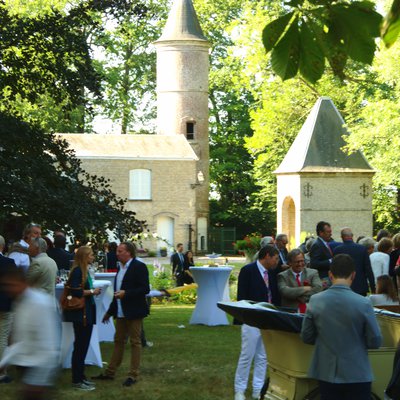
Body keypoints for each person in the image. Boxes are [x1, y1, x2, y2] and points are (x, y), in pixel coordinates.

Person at [301, 254, 382, 400]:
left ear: (330, 275)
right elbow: (375, 340)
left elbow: (306, 336)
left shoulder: (315, 300)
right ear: (353, 275)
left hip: (326, 370)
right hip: (357, 371)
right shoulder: (363, 303)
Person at [93, 242, 150, 387]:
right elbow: (117, 293)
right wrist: (109, 312)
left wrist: (127, 293)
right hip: (120, 311)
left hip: (134, 311)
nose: (117, 253)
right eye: (117, 251)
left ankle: (133, 375)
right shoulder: (120, 269)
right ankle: (110, 372)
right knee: (118, 341)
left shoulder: (139, 267)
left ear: (129, 253)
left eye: (120, 251)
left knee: (135, 342)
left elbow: (144, 289)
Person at [0, 265, 59, 400]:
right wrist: (4, 362)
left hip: (40, 368)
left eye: (11, 285)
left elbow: (49, 345)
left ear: (22, 283)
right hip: (26, 365)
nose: (8, 289)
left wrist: (38, 380)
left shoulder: (41, 303)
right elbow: (22, 340)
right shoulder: (19, 303)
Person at [234, 245, 280, 400]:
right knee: (247, 355)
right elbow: (242, 296)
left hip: (267, 321)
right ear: (267, 256)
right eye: (275, 258)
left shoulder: (272, 273)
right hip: (252, 320)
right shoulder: (248, 271)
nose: (277, 261)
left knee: (263, 356)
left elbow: (274, 296)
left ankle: (258, 389)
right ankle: (239, 389)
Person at [63, 246, 101, 391]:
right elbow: (75, 291)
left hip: (86, 312)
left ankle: (81, 377)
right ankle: (77, 380)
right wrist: (92, 291)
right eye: (91, 255)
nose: (93, 257)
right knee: (80, 346)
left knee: (83, 346)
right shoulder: (78, 271)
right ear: (84, 256)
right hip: (81, 314)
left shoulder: (83, 270)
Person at [333, 228, 375, 296]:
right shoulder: (362, 249)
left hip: (343, 287)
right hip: (360, 286)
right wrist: (373, 287)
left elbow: (334, 270)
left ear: (342, 237)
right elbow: (368, 269)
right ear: (352, 236)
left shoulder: (337, 250)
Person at [0, 235, 17, 384]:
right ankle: (1, 372)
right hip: (4, 305)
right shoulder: (9, 262)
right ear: (3, 247)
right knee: (3, 337)